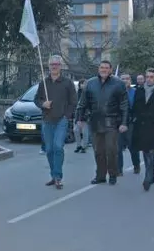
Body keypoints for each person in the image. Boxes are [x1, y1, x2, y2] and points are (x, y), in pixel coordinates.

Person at [78, 60, 128, 185]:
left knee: (111, 150)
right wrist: (79, 119)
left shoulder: (119, 84)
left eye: (106, 68)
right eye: (102, 67)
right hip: (95, 122)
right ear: (98, 69)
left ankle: (112, 174)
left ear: (111, 70)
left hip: (112, 122)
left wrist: (124, 122)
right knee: (98, 151)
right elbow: (82, 103)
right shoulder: (90, 83)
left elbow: (124, 105)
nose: (104, 70)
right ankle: (100, 175)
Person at [34, 55, 77, 189]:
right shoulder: (44, 83)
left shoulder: (67, 83)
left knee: (58, 147)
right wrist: (43, 104)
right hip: (47, 120)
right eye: (52, 64)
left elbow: (73, 102)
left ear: (61, 66)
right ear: (48, 66)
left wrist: (66, 116)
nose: (54, 66)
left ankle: (58, 176)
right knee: (49, 149)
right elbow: (36, 100)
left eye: (57, 64)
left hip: (61, 120)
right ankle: (53, 175)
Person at [117, 73, 140, 175]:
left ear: (130, 80)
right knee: (118, 147)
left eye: (127, 79)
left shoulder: (135, 92)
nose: (125, 80)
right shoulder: (115, 92)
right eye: (123, 79)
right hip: (118, 122)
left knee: (132, 146)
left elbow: (138, 107)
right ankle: (118, 169)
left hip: (131, 122)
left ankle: (136, 165)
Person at [74, 80, 89, 153]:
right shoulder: (77, 93)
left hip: (85, 116)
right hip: (77, 115)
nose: (82, 85)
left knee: (84, 132)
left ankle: (84, 146)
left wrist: (83, 117)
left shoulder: (88, 93)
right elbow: (76, 105)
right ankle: (78, 145)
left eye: (84, 84)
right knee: (76, 130)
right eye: (81, 84)